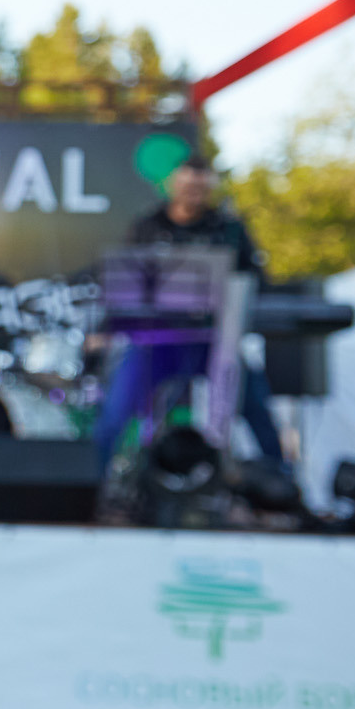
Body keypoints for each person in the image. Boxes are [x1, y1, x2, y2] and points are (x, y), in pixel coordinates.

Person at [95, 156, 288, 476]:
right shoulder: (148, 226)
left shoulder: (229, 229)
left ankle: (282, 484)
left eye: (201, 187)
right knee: (114, 414)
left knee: (257, 408)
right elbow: (126, 284)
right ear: (174, 185)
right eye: (187, 186)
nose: (193, 193)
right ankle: (96, 486)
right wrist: (104, 330)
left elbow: (257, 282)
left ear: (210, 188)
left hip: (214, 341)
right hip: (155, 342)